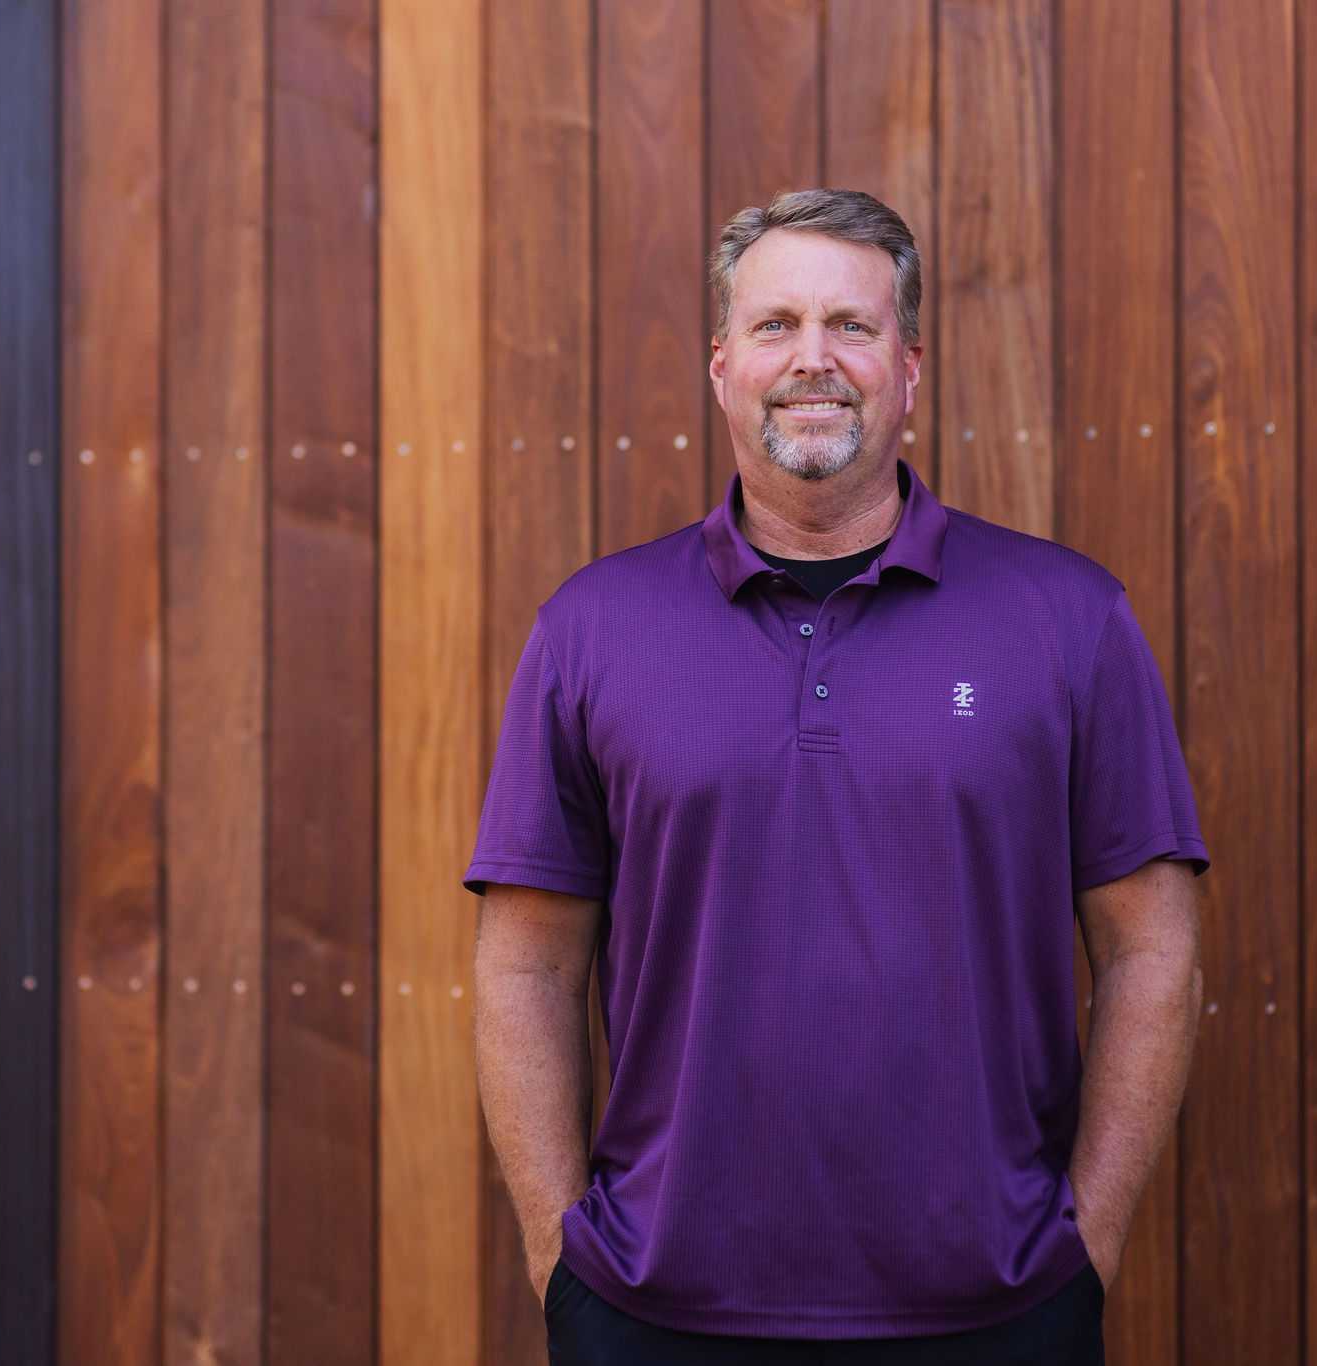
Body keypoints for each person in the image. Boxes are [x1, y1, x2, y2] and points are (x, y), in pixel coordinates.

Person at [464, 187, 1210, 1365]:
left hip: (994, 1312)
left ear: (908, 369)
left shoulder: (1068, 621)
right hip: (656, 1316)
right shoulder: (591, 631)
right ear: (721, 369)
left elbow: (1152, 945)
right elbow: (524, 962)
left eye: (851, 327)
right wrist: (565, 1273)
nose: (813, 359)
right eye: (774, 327)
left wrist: (1083, 1250)